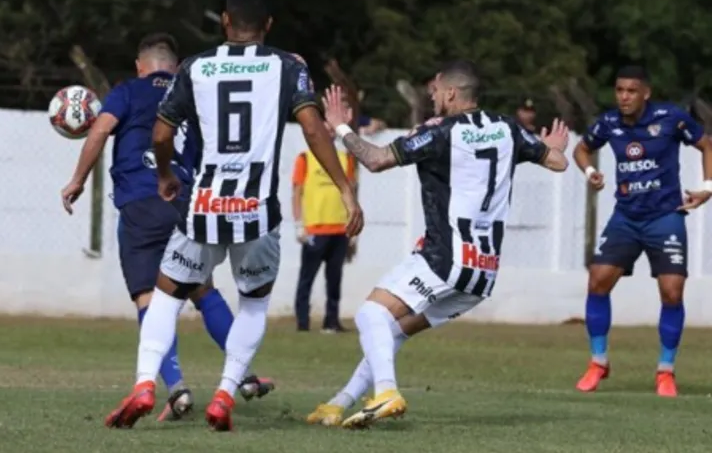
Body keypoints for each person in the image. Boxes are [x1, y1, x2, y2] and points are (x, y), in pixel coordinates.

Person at [104, 0, 363, 432]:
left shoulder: (196, 67)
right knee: (253, 305)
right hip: (257, 210)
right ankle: (225, 392)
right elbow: (314, 130)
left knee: (166, 296)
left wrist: (165, 174)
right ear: (268, 26)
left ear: (225, 21)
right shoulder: (288, 67)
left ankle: (146, 383)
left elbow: (162, 134)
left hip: (202, 205)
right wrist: (345, 188)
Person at [312, 60, 569, 429]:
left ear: (450, 92)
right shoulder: (507, 128)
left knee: (371, 315)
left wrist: (339, 126)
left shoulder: (442, 133)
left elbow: (376, 159)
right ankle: (340, 403)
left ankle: (386, 392)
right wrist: (549, 145)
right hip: (482, 272)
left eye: (433, 92)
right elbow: (558, 162)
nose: (431, 98)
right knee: (394, 331)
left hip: (446, 257)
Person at [60, 33, 274, 423]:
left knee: (149, 297)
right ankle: (242, 377)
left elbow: (100, 130)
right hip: (184, 202)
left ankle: (175, 388)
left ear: (140, 66)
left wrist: (77, 180)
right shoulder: (191, 94)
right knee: (202, 289)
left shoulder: (127, 91)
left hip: (140, 205)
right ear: (174, 67)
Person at [572, 65, 712, 397]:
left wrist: (708, 187)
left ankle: (665, 371)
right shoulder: (609, 123)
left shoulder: (671, 118)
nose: (624, 97)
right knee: (598, 281)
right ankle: (598, 362)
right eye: (619, 90)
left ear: (645, 93)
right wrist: (591, 171)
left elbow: (708, 145)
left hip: (665, 217)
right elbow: (582, 148)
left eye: (631, 91)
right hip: (626, 217)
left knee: (672, 292)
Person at [292, 139, 357, 333]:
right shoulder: (305, 158)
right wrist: (298, 224)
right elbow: (296, 192)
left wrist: (353, 225)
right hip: (314, 229)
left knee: (335, 278)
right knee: (307, 278)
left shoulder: (346, 159)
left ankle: (331, 321)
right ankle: (303, 323)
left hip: (339, 228)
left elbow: (351, 191)